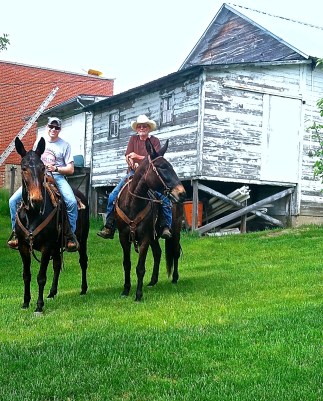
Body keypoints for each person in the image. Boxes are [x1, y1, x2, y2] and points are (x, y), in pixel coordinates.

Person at [7, 117, 79, 252]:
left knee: (71, 202)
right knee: (12, 201)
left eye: (56, 127)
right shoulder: (38, 143)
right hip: (38, 178)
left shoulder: (65, 145)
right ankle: (17, 233)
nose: (53, 129)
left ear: (60, 129)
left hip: (57, 177)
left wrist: (56, 169)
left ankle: (70, 235)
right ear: (47, 127)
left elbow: (71, 169)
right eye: (51, 126)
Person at [97, 114, 172, 240]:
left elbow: (156, 158)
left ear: (149, 128)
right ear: (137, 128)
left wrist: (137, 157)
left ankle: (166, 226)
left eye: (144, 126)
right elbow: (128, 155)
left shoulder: (155, 141)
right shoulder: (133, 139)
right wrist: (130, 161)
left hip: (150, 175)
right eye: (140, 126)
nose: (142, 128)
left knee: (164, 198)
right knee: (113, 196)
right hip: (133, 174)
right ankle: (109, 226)